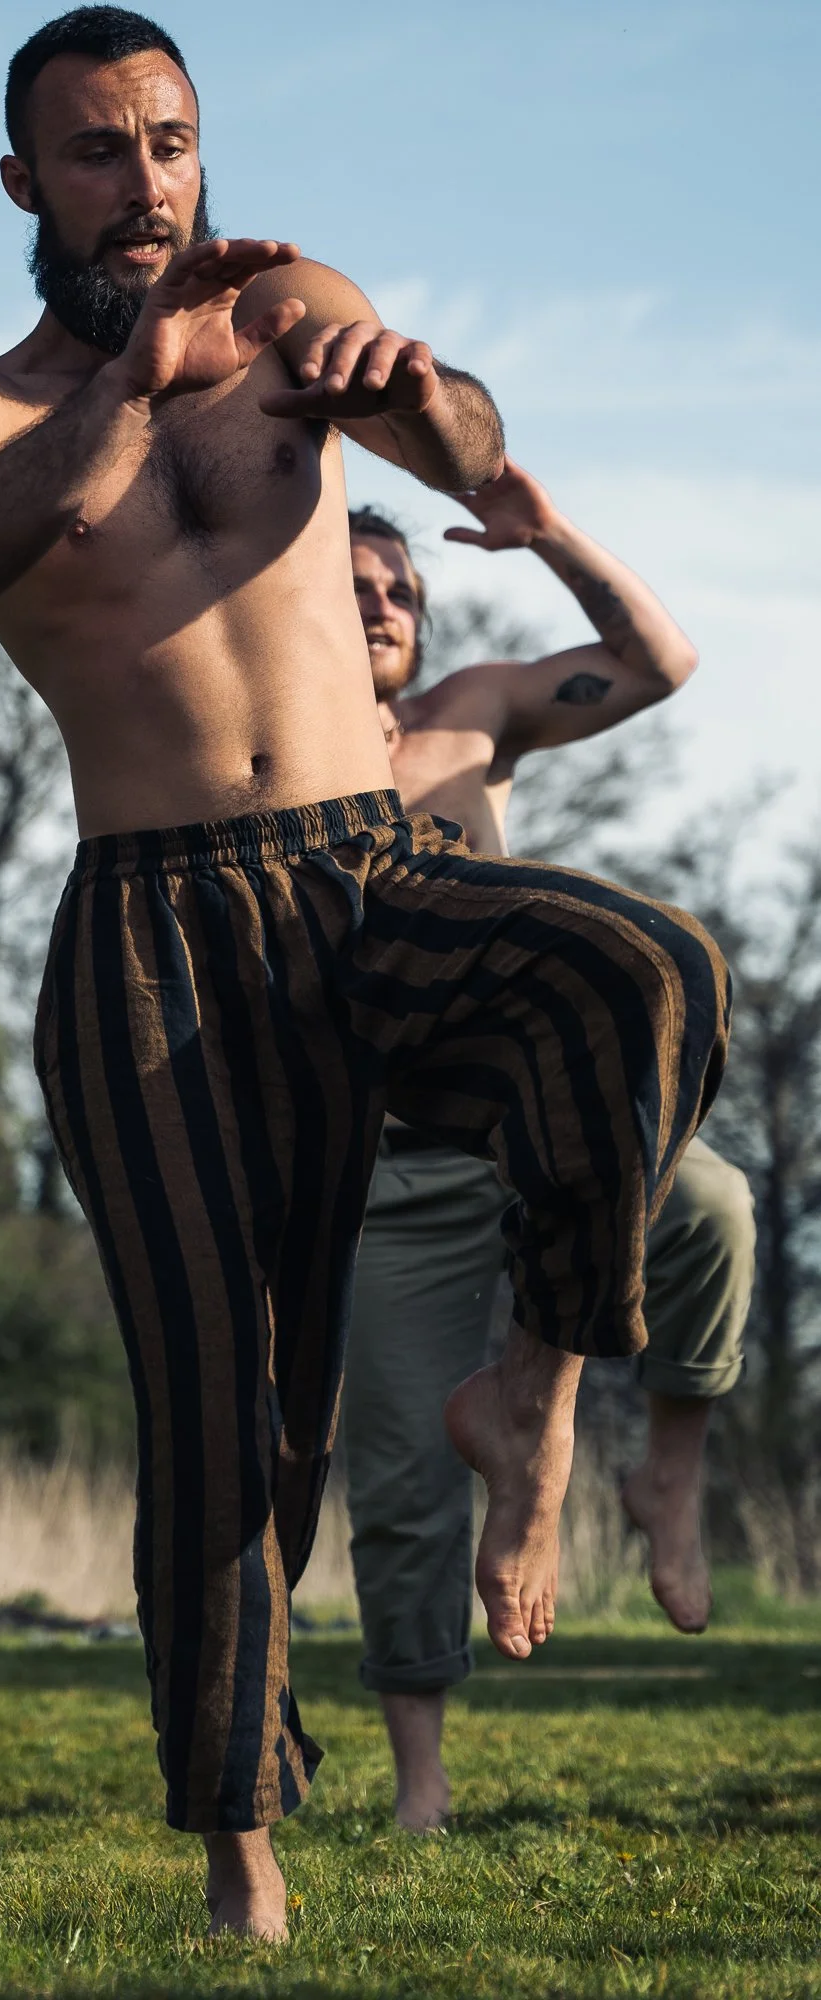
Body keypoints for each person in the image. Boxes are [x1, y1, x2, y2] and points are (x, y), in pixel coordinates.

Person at [0, 6, 729, 1938]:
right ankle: (239, 1837)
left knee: (640, 972)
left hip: (359, 873)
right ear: (24, 183)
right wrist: (136, 382)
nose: (145, 183)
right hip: (151, 933)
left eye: (169, 141)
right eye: (96, 151)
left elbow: (475, 445)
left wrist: (412, 394)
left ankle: (534, 1382)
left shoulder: (288, 311)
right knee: (235, 1410)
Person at [343, 463, 755, 1831]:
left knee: (711, 1208)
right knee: (405, 1472)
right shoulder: (256, 756)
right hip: (388, 1172)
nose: (386, 608)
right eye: (353, 592)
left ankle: (665, 1475)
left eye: (401, 591)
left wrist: (551, 538)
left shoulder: (466, 720)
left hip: (530, 1127)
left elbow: (660, 660)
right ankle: (420, 1783)